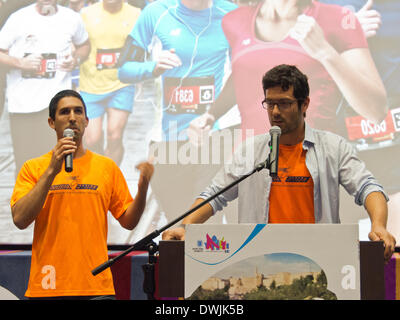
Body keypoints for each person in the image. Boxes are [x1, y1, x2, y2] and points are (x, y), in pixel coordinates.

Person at [162, 64, 396, 263]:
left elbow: (369, 188)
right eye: (270, 103)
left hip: (319, 260)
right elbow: (215, 195)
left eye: (284, 104)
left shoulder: (333, 148)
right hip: (259, 262)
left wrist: (379, 225)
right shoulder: (251, 151)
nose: (274, 112)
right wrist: (185, 226)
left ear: (304, 104)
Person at [10, 89, 154, 299]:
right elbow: (20, 219)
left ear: (86, 121)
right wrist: (52, 170)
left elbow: (129, 221)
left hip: (96, 286)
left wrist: (142, 190)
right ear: (52, 122)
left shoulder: (106, 167)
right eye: (64, 112)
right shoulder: (33, 167)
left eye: (78, 112)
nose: (72, 118)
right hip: (48, 286)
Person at [188, 0, 386, 143]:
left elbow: (376, 111)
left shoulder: (338, 19)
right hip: (251, 170)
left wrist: (325, 52)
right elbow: (246, 75)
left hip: (313, 171)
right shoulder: (234, 21)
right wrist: (212, 115)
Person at [117, 0, 238, 230]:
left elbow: (242, 73)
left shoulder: (230, 15)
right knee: (176, 224)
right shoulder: (155, 13)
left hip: (214, 136)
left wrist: (212, 116)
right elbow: (123, 69)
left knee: (204, 225)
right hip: (167, 140)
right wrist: (153, 67)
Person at [0, 0, 90, 175]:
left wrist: (75, 59)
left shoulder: (71, 18)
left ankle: (58, 201)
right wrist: (21, 63)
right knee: (27, 166)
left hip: (58, 107)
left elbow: (84, 46)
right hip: (23, 105)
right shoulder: (18, 18)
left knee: (60, 163)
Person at [79, 0, 141, 166]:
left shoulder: (136, 14)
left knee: (115, 135)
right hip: (91, 85)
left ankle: (111, 177)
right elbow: (78, 44)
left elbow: (141, 47)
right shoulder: (86, 14)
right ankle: (99, 170)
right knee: (92, 140)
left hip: (121, 85)